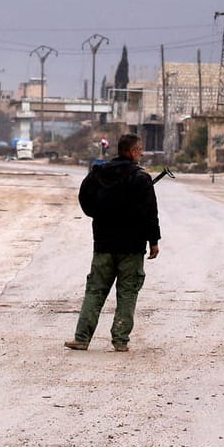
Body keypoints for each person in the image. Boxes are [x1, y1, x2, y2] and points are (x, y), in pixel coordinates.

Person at [64, 132, 160, 353]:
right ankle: (120, 340)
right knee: (127, 292)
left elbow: (84, 198)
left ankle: (82, 338)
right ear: (132, 151)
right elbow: (150, 214)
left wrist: (99, 214)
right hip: (132, 247)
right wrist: (153, 241)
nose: (142, 153)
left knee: (95, 290)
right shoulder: (141, 178)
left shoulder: (99, 173)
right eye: (140, 149)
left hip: (104, 243)